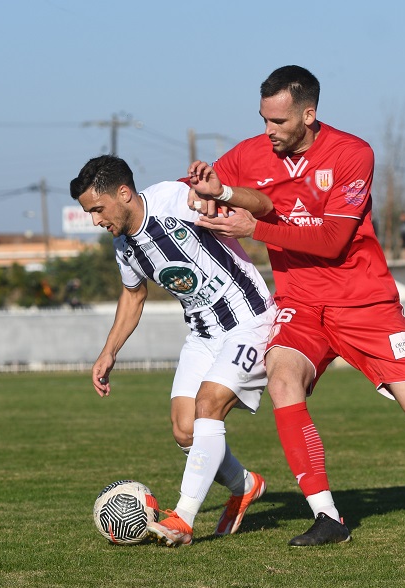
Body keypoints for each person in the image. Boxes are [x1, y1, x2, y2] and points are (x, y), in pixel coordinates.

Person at [187, 65, 405, 546]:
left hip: (365, 303)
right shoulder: (253, 152)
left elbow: (334, 241)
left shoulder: (352, 153)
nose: (268, 132)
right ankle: (328, 517)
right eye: (263, 120)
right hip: (301, 302)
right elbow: (201, 186)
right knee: (282, 378)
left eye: (278, 122)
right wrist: (201, 187)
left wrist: (256, 230)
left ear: (308, 114)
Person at [70, 155, 277, 547]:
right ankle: (245, 485)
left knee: (208, 405)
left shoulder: (173, 200)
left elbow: (232, 206)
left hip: (249, 320)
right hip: (202, 334)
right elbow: (134, 295)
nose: (96, 220)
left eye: (98, 209)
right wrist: (108, 352)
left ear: (124, 193)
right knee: (185, 431)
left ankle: (183, 517)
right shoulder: (124, 245)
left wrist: (215, 199)